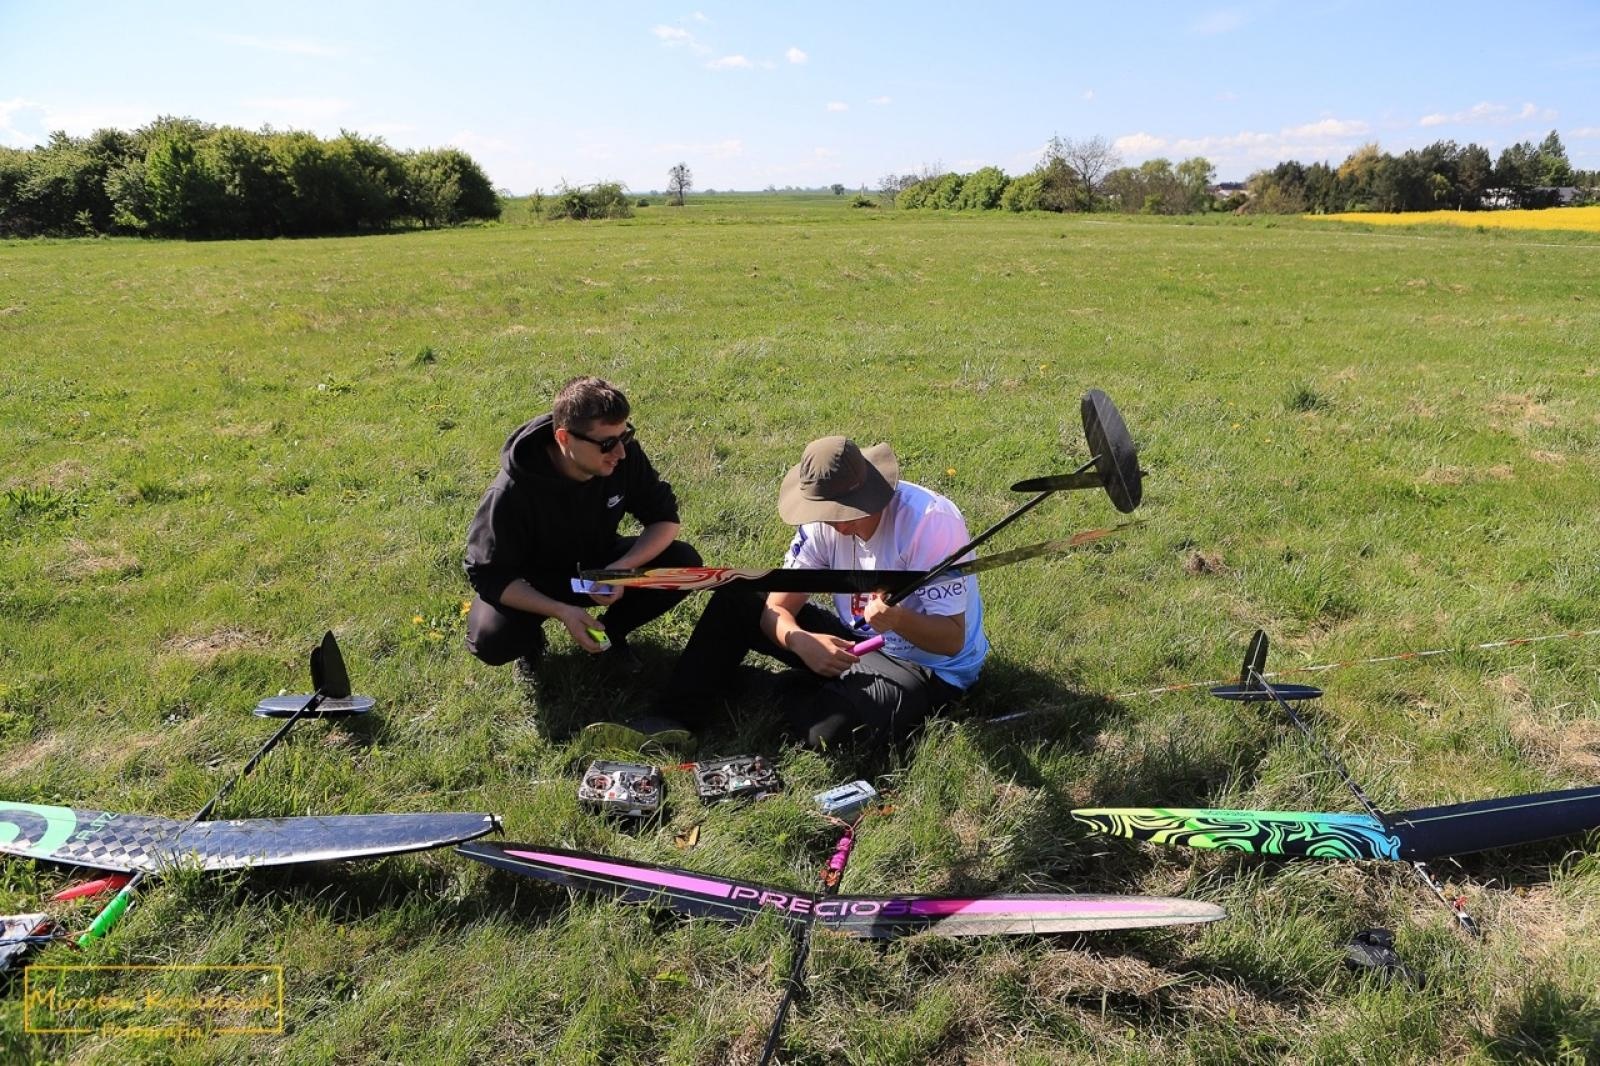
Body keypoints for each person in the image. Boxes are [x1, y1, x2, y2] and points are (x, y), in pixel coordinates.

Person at [655, 435, 988, 749]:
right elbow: (776, 607)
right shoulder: (820, 521)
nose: (838, 526)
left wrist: (898, 619)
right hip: (855, 641)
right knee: (740, 596)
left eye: (848, 513)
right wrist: (800, 641)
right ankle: (671, 716)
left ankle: (747, 684)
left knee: (833, 731)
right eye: (829, 515)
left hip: (925, 667)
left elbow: (951, 641)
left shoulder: (930, 522)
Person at [463, 376, 701, 677]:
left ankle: (610, 633)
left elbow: (665, 519)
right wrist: (561, 611)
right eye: (607, 444)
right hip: (534, 582)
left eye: (625, 436)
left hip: (597, 566)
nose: (621, 453)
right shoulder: (511, 492)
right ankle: (530, 643)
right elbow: (488, 573)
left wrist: (618, 571)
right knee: (491, 638)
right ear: (564, 438)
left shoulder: (622, 457)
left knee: (684, 565)